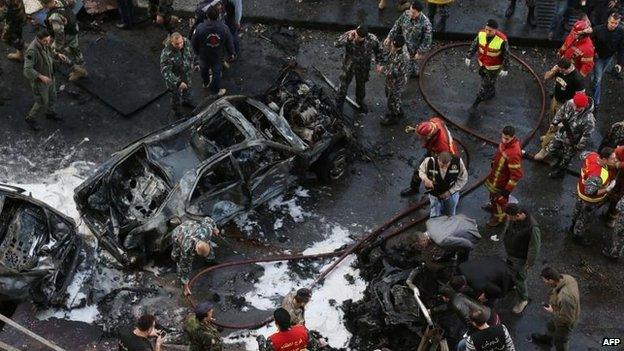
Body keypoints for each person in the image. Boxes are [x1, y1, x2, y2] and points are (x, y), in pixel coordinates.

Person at [538, 92, 596, 178]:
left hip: (572, 142)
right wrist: (554, 123)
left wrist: (578, 147)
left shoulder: (589, 120)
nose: (575, 108)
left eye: (579, 107)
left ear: (584, 106)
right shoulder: (570, 103)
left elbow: (586, 136)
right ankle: (558, 158)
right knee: (551, 149)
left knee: (566, 159)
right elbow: (560, 113)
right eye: (575, 105)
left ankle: (560, 172)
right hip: (561, 134)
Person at [535, 58, 585, 157]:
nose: (560, 71)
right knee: (552, 119)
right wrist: (554, 70)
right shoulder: (559, 70)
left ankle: (545, 148)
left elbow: (580, 97)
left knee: (556, 126)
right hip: (556, 99)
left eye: (562, 70)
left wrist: (571, 110)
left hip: (565, 105)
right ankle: (549, 136)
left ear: (568, 68)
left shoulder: (578, 79)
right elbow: (546, 77)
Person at [498, 204, 541, 314]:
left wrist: (529, 263)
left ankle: (523, 299)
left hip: (520, 258)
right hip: (511, 254)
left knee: (520, 278)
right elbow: (508, 229)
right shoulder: (515, 219)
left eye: (509, 217)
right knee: (511, 272)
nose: (508, 219)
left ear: (518, 215)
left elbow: (534, 248)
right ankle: (513, 285)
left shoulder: (533, 228)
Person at [23, 30, 68, 131]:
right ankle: (31, 118)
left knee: (53, 96)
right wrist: (40, 76)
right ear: (38, 39)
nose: (48, 43)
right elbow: (27, 70)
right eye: (45, 41)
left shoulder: (45, 43)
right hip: (40, 82)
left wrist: (57, 55)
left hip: (50, 76)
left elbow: (50, 50)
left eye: (49, 40)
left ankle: (50, 113)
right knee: (42, 101)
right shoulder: (32, 51)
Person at [570, 147, 617, 246]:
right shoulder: (597, 175)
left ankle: (573, 225)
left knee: (577, 210)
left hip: (580, 192)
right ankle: (578, 236)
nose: (615, 160)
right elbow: (590, 192)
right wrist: (607, 189)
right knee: (585, 218)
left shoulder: (592, 155)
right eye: (612, 159)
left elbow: (582, 155)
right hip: (589, 201)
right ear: (604, 159)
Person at [402, 116, 459, 196]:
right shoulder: (434, 122)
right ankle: (414, 188)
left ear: (429, 137)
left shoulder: (442, 148)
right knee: (418, 170)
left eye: (422, 138)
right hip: (434, 150)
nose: (420, 140)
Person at [465, 19, 510, 116]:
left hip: (493, 68)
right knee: (486, 79)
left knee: (484, 86)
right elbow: (475, 44)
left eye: (490, 30)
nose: (487, 32)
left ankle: (475, 104)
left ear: (495, 30)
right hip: (482, 64)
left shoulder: (502, 40)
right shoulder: (481, 34)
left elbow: (506, 54)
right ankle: (492, 90)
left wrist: (505, 68)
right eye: (486, 29)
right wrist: (469, 56)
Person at [334, 25, 382, 113]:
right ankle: (339, 104)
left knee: (361, 86)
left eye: (358, 37)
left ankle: (360, 102)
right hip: (349, 65)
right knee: (343, 85)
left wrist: (378, 63)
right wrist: (348, 39)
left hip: (363, 67)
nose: (356, 37)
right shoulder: (349, 35)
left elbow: (378, 51)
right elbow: (336, 44)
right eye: (356, 34)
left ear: (364, 37)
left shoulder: (372, 39)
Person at [531, 267, 580, 351]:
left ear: (551, 280)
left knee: (561, 340)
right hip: (560, 311)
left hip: (565, 322)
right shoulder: (567, 278)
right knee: (551, 326)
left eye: (545, 280)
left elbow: (567, 319)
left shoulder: (566, 298)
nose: (544, 282)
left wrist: (552, 311)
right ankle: (548, 340)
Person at [483, 126, 523, 227]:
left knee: (499, 201)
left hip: (501, 182)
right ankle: (494, 207)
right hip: (495, 177)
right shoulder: (505, 144)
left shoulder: (514, 153)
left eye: (507, 139)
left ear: (513, 137)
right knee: (493, 197)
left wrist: (506, 191)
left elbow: (516, 175)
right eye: (503, 137)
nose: (504, 141)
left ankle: (499, 218)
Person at [170, 216, 220, 296]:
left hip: (191, 225)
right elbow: (185, 267)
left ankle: (210, 260)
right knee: (177, 257)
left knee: (209, 250)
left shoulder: (206, 231)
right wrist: (186, 285)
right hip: (179, 233)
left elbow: (208, 219)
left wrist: (215, 228)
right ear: (195, 251)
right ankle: (179, 278)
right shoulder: (187, 249)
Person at [191, 6, 235, 97]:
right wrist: (232, 53)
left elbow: (194, 42)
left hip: (203, 55)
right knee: (216, 73)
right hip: (217, 56)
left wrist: (196, 53)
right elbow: (230, 42)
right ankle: (215, 91)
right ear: (218, 16)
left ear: (207, 15)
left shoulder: (199, 28)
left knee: (204, 70)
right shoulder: (224, 28)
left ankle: (206, 83)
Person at [41, 0, 88, 81]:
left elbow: (59, 35)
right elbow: (73, 3)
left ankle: (78, 70)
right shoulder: (60, 1)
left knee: (58, 54)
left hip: (66, 36)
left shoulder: (54, 17)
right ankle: (79, 62)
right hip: (73, 30)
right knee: (75, 49)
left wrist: (55, 48)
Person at [385, 0, 433, 78]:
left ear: (419, 12)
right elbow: (397, 25)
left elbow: (427, 41)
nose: (411, 14)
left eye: (413, 13)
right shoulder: (406, 14)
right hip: (403, 46)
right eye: (410, 11)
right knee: (399, 63)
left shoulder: (426, 24)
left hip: (414, 51)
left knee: (414, 71)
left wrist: (420, 52)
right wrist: (389, 37)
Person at [418, 151, 468, 217]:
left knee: (450, 213)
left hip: (451, 195)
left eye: (446, 166)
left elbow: (463, 178)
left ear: (450, 161)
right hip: (434, 194)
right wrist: (425, 179)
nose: (444, 168)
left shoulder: (458, 162)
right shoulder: (429, 161)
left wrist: (450, 192)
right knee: (435, 213)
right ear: (438, 159)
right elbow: (421, 170)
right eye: (441, 166)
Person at [416, 214, 481, 264]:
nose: (423, 248)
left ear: (423, 240)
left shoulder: (441, 240)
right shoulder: (429, 222)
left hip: (469, 231)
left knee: (462, 251)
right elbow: (445, 217)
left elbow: (464, 242)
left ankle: (462, 262)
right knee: (450, 243)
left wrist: (471, 247)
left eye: (421, 246)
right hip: (461, 219)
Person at [590, 13, 624, 106]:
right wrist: (593, 51)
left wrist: (619, 64)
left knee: (596, 77)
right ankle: (595, 102)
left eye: (616, 23)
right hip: (598, 57)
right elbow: (589, 40)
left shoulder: (621, 32)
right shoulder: (598, 29)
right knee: (598, 79)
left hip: (608, 57)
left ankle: (593, 81)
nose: (613, 25)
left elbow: (621, 48)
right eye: (612, 22)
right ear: (608, 20)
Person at [160, 33, 195, 119]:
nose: (180, 45)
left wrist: (196, 62)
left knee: (188, 89)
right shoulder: (166, 54)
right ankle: (177, 112)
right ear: (171, 42)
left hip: (186, 75)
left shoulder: (186, 42)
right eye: (177, 44)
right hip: (175, 80)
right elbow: (166, 72)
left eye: (181, 42)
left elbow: (191, 52)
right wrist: (178, 82)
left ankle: (186, 101)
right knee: (175, 97)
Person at [377, 35, 410, 126]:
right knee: (393, 96)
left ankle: (393, 116)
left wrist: (382, 69)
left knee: (392, 99)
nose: (392, 46)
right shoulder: (401, 47)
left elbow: (394, 73)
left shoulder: (402, 58)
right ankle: (398, 110)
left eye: (393, 46)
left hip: (396, 81)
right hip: (394, 79)